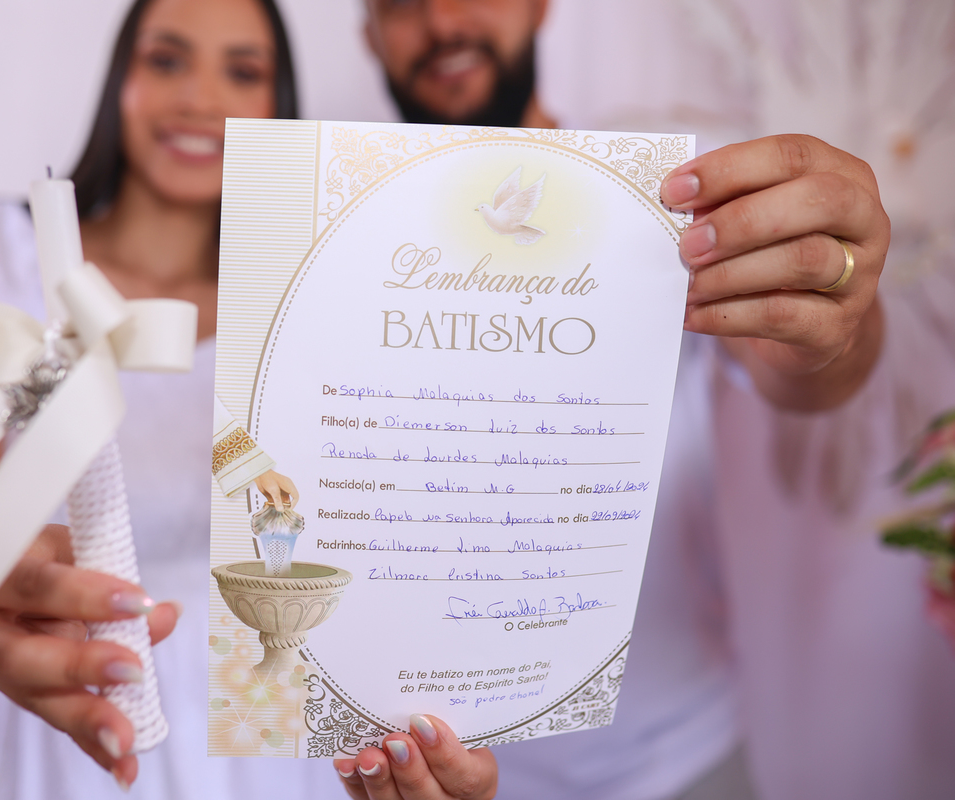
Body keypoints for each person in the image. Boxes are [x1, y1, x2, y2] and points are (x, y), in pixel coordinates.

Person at [331, 1, 893, 799]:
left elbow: (801, 373)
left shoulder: (664, 204)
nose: (443, 21)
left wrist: (837, 321)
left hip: (676, 757)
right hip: (433, 765)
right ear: (368, 36)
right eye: (401, 3)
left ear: (539, 5)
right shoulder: (332, 239)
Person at [0, 0, 342, 796]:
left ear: (277, 104)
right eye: (167, 59)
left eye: (243, 71)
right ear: (121, 77)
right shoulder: (5, 258)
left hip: (255, 712)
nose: (200, 98)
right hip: (54, 687)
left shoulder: (303, 299)